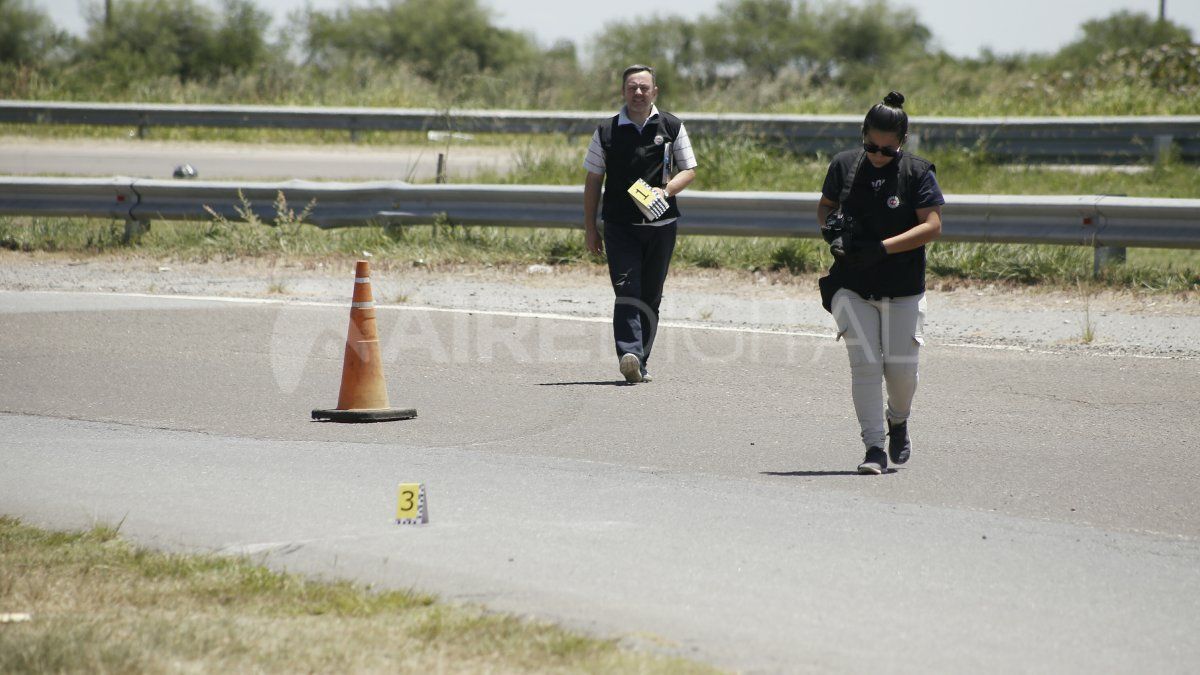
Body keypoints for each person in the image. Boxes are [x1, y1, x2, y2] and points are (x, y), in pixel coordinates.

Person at [816, 91, 945, 475]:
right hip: (851, 285)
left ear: (902, 144)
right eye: (870, 145)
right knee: (866, 365)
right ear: (863, 134)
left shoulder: (917, 173)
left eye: (887, 150)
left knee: (901, 374)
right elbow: (825, 206)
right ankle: (874, 447)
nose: (877, 154)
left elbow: (932, 226)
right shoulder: (844, 165)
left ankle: (898, 420)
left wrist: (883, 249)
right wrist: (830, 230)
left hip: (902, 286)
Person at [583, 64, 697, 384]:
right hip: (619, 226)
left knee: (651, 295)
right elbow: (593, 180)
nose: (638, 93)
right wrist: (591, 227)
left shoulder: (672, 126)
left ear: (654, 92)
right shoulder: (606, 131)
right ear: (623, 91)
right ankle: (629, 353)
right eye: (632, 87)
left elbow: (689, 169)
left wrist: (667, 190)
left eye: (644, 87)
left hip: (662, 226)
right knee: (627, 290)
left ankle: (640, 362)